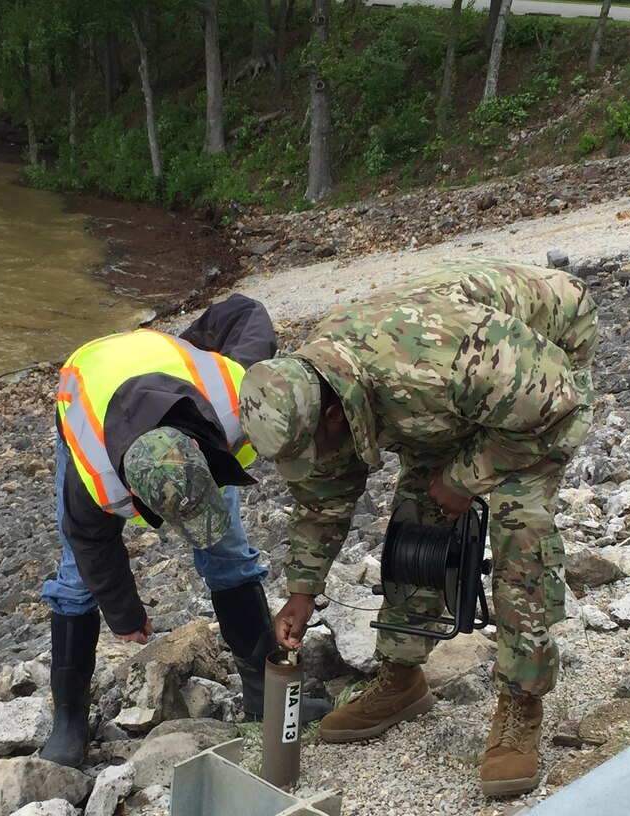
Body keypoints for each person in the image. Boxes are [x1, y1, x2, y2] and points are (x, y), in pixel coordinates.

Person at [237, 259, 598, 796]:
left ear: (334, 417)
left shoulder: (436, 361)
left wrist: (465, 476)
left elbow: (556, 403)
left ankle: (522, 703)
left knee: (518, 522)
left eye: (312, 447)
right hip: (455, 395)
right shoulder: (313, 385)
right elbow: (323, 494)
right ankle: (402, 677)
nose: (314, 459)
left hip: (543, 365)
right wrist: (302, 590)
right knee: (417, 520)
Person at [41, 294, 330, 768]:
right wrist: (126, 615)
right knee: (76, 579)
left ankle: (262, 691)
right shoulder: (91, 470)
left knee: (229, 550)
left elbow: (241, 311)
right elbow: (92, 542)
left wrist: (194, 346)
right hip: (88, 386)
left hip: (165, 377)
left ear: (197, 445)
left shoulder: (234, 395)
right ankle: (69, 718)